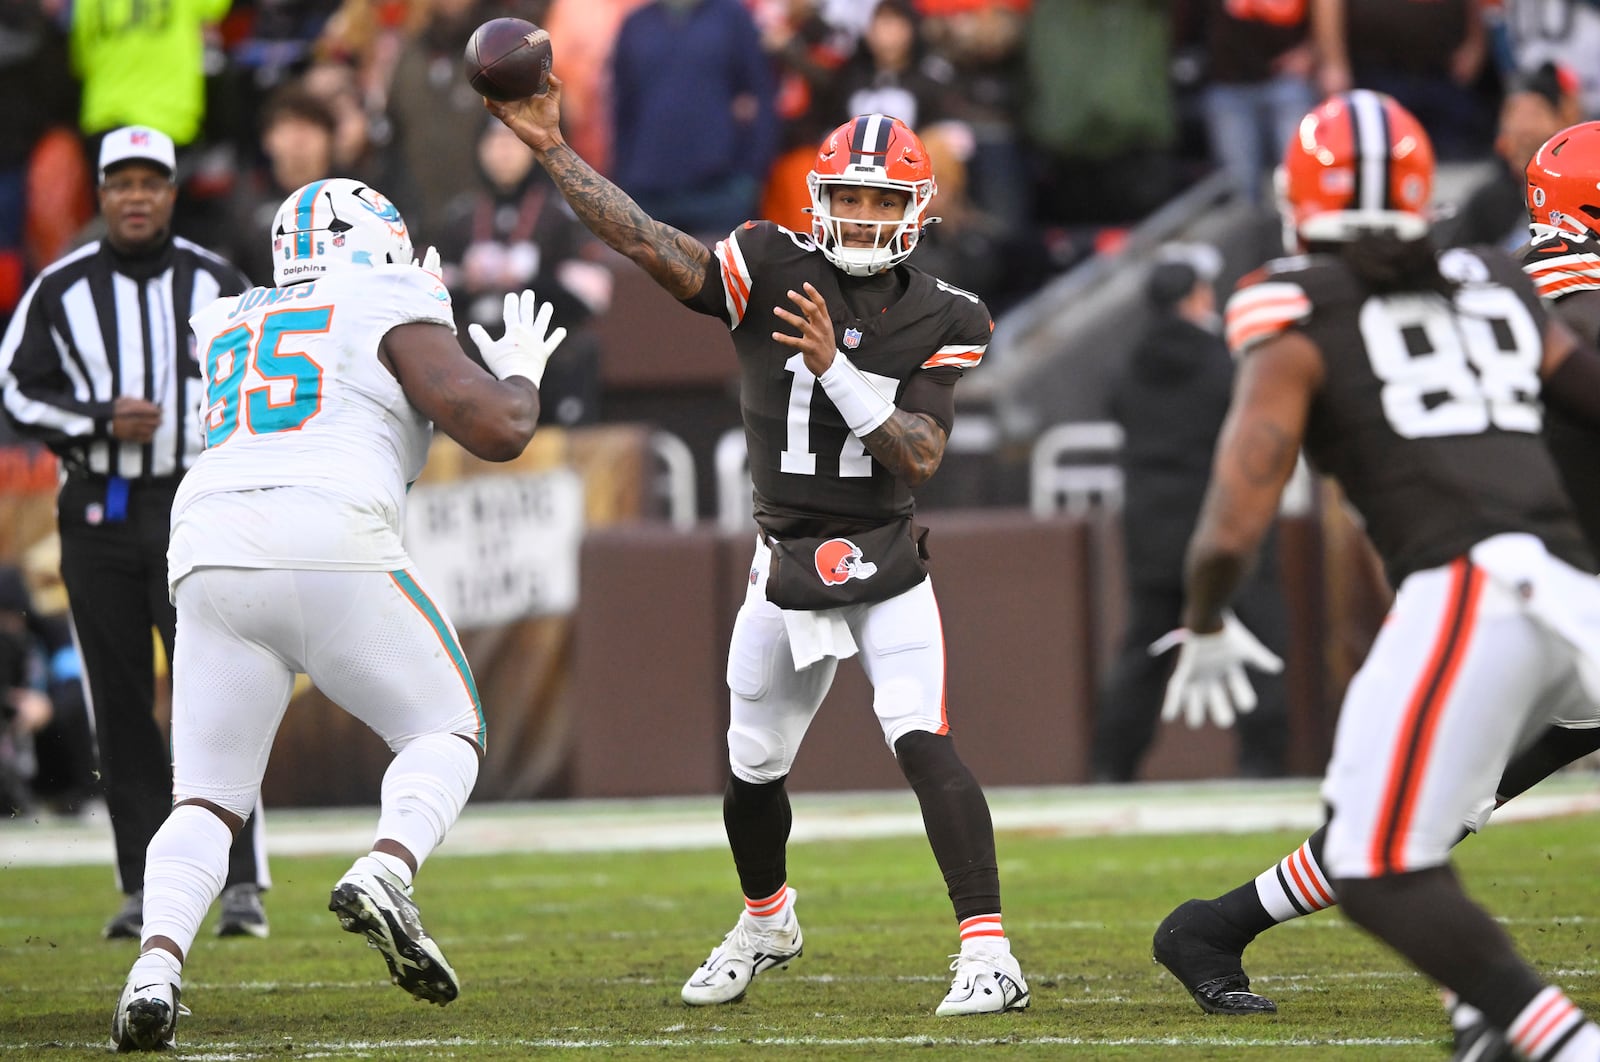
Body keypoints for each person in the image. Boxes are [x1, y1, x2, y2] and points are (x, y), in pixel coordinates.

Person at [489, 84, 1029, 1015]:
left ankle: (989, 954)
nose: (862, 215)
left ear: (917, 209)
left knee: (921, 740)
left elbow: (922, 455)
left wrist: (837, 371)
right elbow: (647, 241)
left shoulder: (948, 313)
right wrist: (553, 151)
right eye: (849, 196)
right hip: (782, 560)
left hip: (883, 556)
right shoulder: (770, 262)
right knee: (751, 764)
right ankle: (766, 919)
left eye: (882, 199)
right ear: (819, 198)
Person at [1148, 91, 1600, 1062]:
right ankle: (1500, 1016)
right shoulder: (1504, 283)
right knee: (1397, 833)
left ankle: (1532, 1031)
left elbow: (1235, 513)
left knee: (1387, 849)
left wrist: (1207, 616)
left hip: (1499, 591)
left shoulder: (1307, 298)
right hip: (1536, 590)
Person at [107, 176, 566, 1051]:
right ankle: (387, 870)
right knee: (446, 729)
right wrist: (518, 371)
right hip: (325, 530)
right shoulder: (387, 293)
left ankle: (154, 969)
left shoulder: (233, 314)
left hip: (208, 546)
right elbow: (501, 429)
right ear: (377, 244)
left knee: (206, 797)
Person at [0, 126, 270, 941]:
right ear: (103, 193)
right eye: (123, 182)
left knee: (216, 690)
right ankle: (141, 880)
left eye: (153, 181)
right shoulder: (61, 287)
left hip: (198, 501)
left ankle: (241, 880)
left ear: (174, 190)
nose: (138, 196)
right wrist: (96, 421)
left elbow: (267, 378)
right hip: (101, 508)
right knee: (118, 702)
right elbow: (15, 391)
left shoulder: (219, 281)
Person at [1090, 244, 1290, 784]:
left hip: (1153, 530)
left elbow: (1118, 410)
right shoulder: (1226, 360)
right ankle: (1261, 763)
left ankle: (1111, 767)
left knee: (1143, 654)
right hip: (1224, 524)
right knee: (1257, 645)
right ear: (1194, 297)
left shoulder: (1127, 364)